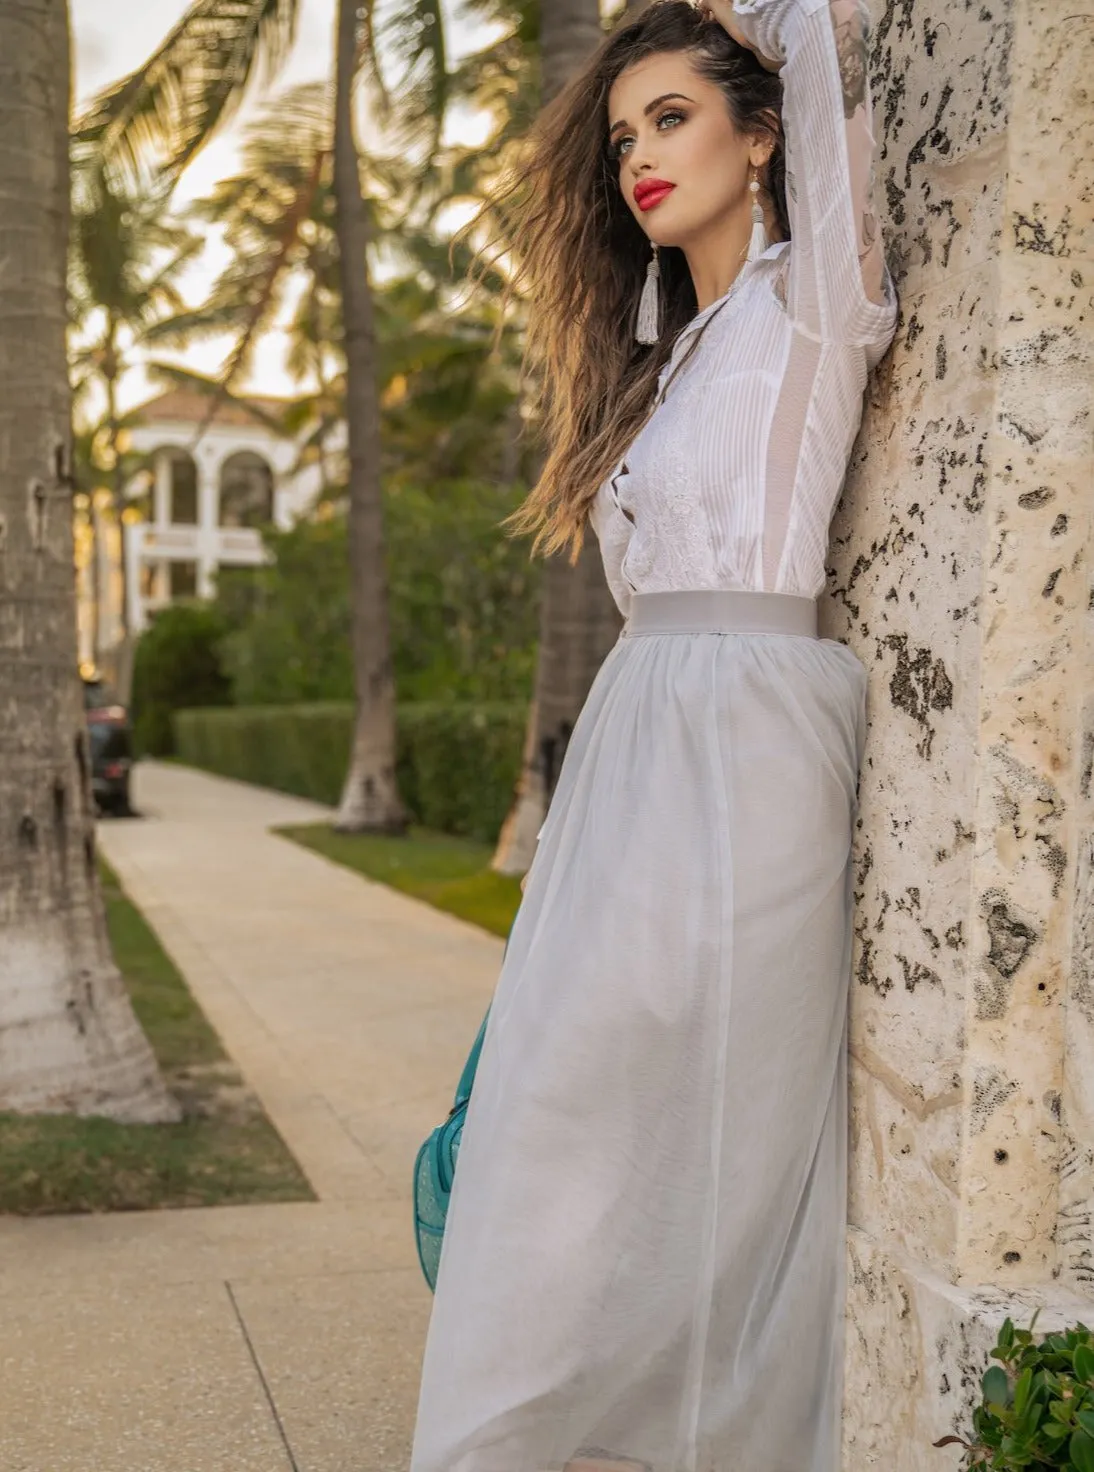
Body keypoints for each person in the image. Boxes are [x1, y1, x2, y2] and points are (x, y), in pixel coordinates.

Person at [410, 0, 898, 1468]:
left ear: (759, 139)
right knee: (553, 1110)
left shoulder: (819, 302)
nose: (636, 156)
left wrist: (770, 16)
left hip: (747, 742)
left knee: (670, 1117)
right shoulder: (668, 360)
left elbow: (826, 68)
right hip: (637, 744)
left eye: (671, 117)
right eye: (620, 134)